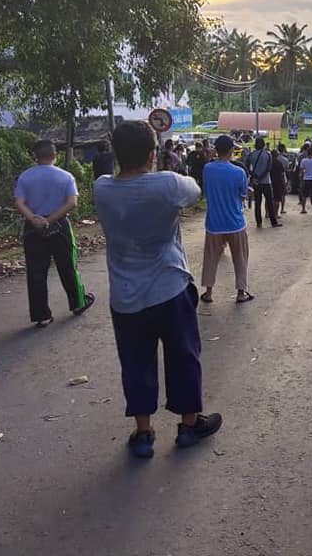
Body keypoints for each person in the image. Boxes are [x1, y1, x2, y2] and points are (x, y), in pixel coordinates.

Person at [93, 120, 222, 458]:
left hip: (125, 296)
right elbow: (194, 190)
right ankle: (189, 426)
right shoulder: (167, 185)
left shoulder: (102, 189)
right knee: (183, 357)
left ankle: (144, 432)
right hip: (169, 288)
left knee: (136, 363)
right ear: (152, 155)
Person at [14, 140, 95, 327]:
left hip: (33, 228)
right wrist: (50, 220)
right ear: (55, 155)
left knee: (36, 271)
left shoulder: (25, 177)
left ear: (35, 156)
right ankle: (77, 303)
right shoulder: (65, 177)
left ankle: (41, 315)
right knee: (68, 266)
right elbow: (72, 202)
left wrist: (34, 218)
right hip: (59, 226)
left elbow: (19, 202)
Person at [200, 135, 253, 304]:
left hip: (214, 224)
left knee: (210, 258)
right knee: (241, 258)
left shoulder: (207, 169)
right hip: (235, 223)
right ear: (231, 150)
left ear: (216, 150)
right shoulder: (239, 172)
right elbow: (243, 194)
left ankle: (208, 292)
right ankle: (241, 292)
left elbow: (207, 189)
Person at [247, 137, 280, 229]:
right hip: (266, 182)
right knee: (269, 202)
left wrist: (254, 175)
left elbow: (246, 166)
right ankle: (273, 222)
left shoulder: (251, 155)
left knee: (257, 203)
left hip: (256, 182)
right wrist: (261, 176)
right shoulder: (267, 155)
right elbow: (269, 168)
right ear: (264, 144)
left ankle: (259, 223)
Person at [299, 145, 312, 215]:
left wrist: (302, 175)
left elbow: (301, 170)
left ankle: (303, 209)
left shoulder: (304, 161)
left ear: (307, 153)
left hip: (306, 179)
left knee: (304, 195)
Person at [271, 149, 288, 217]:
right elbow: (282, 173)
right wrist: (284, 182)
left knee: (269, 198)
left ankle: (267, 213)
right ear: (277, 155)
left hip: (269, 182)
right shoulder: (279, 163)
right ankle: (276, 214)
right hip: (278, 182)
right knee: (277, 199)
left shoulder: (268, 162)